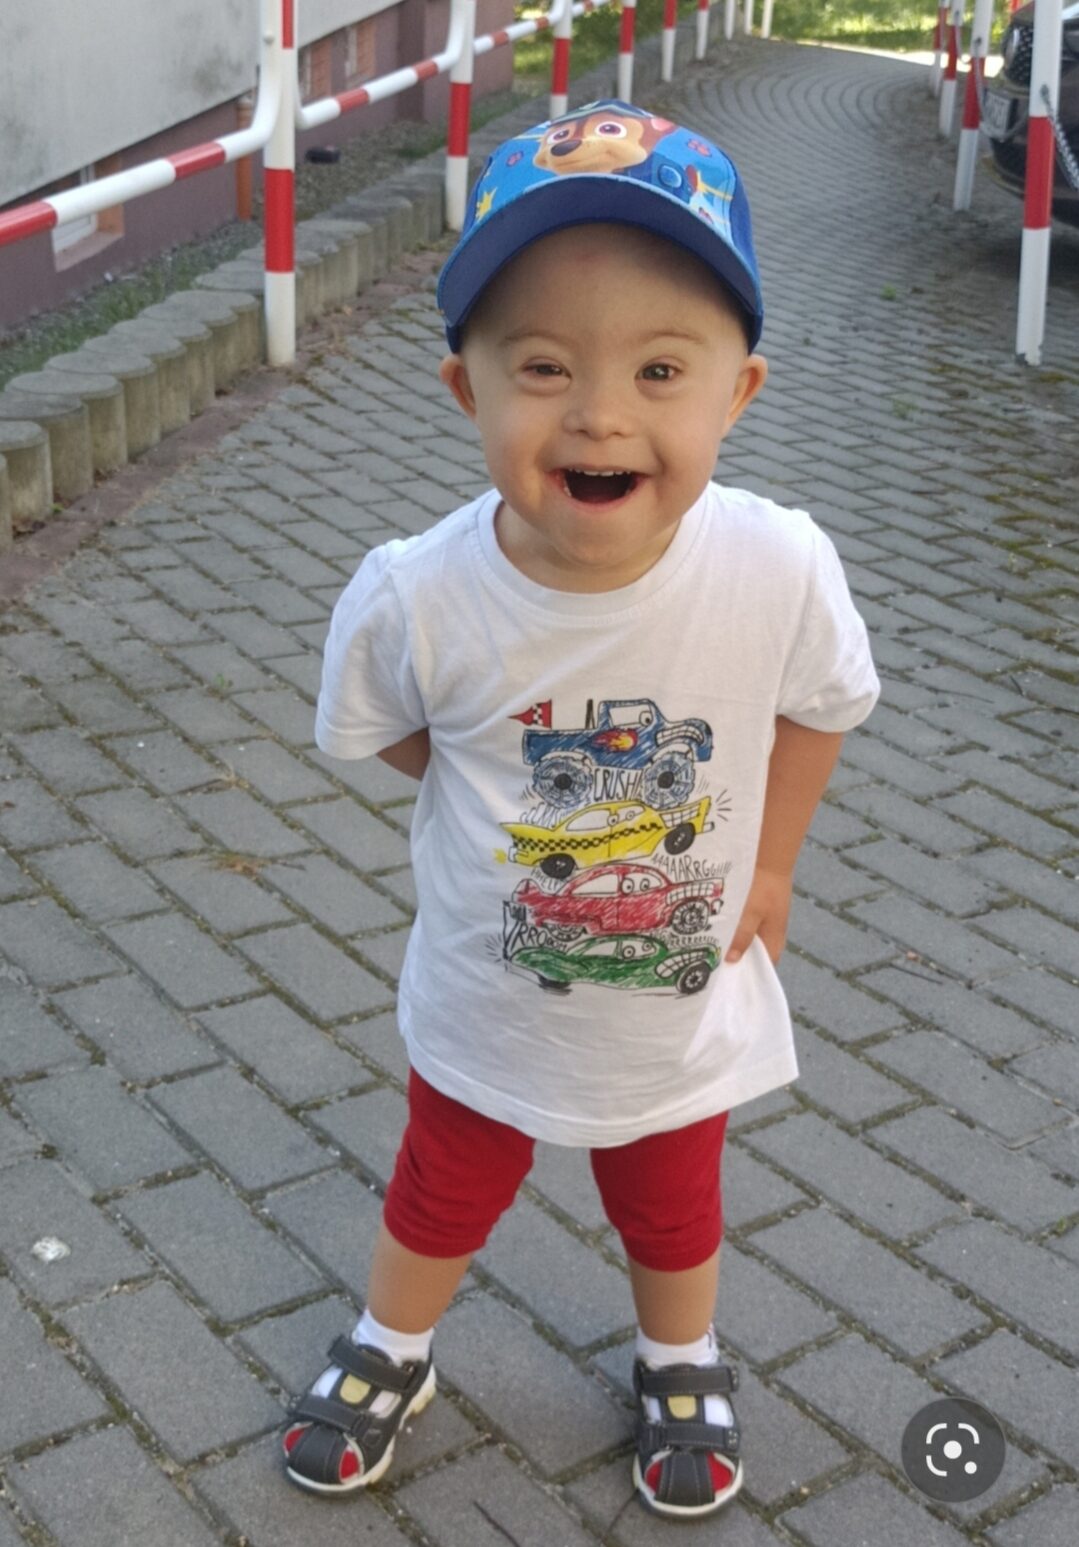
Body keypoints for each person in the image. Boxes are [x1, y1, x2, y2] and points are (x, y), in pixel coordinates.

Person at [282, 99, 880, 1521]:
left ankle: (680, 1356)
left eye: (661, 369)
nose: (601, 414)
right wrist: (482, 781)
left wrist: (773, 864)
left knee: (671, 1200)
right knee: (440, 1185)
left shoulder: (778, 568)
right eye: (543, 366)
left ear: (738, 392)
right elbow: (388, 730)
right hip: (489, 1002)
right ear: (466, 390)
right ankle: (393, 1342)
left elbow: (824, 701)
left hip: (676, 1009)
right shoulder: (419, 594)